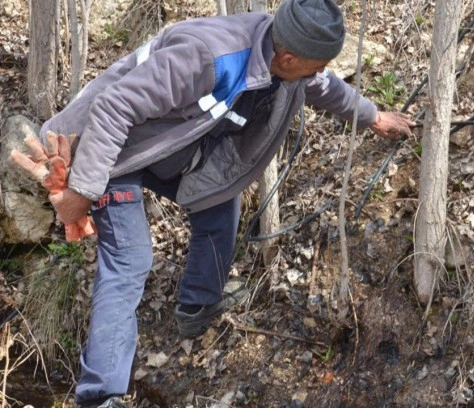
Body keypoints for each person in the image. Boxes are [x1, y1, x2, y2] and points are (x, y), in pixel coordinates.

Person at [33, 0, 415, 406]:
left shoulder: (286, 60)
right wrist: (82, 192)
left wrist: (373, 117)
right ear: (287, 57)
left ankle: (197, 307)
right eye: (315, 66)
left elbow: (322, 85)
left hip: (169, 147)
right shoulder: (208, 55)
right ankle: (99, 396)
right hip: (103, 151)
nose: (318, 74)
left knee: (219, 202)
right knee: (130, 259)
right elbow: (114, 106)